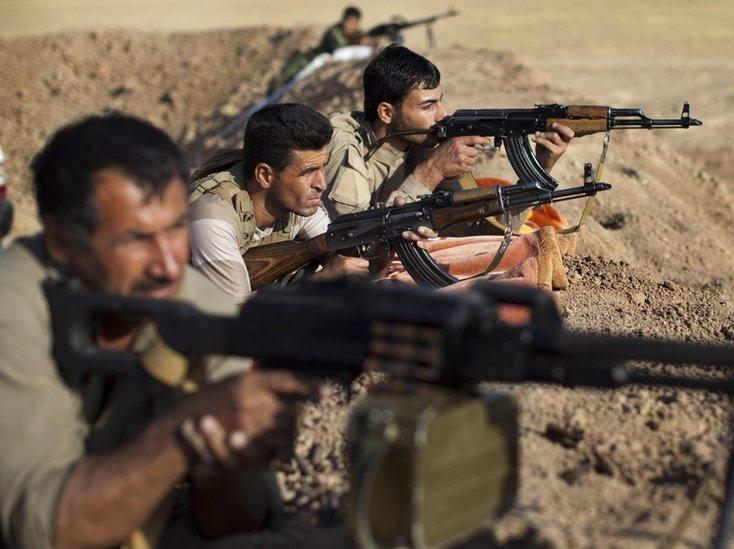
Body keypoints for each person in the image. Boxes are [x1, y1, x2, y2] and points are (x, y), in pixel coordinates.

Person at [0, 113, 319, 548]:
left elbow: (246, 521)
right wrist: (181, 433)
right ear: (61, 243)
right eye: (136, 239)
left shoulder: (197, 304)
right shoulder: (14, 305)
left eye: (174, 230)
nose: (169, 265)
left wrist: (219, 458)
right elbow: (38, 532)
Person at [189, 103, 422, 301]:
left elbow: (345, 258)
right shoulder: (213, 217)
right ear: (265, 176)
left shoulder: (296, 204)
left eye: (323, 167)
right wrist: (320, 281)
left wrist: (384, 245)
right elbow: (239, 323)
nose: (321, 183)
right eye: (309, 171)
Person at [322, 44, 575, 218]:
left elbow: (482, 228)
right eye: (428, 105)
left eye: (440, 101)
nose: (442, 114)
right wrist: (431, 172)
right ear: (386, 113)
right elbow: (353, 243)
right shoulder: (344, 145)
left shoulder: (422, 144)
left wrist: (539, 168)